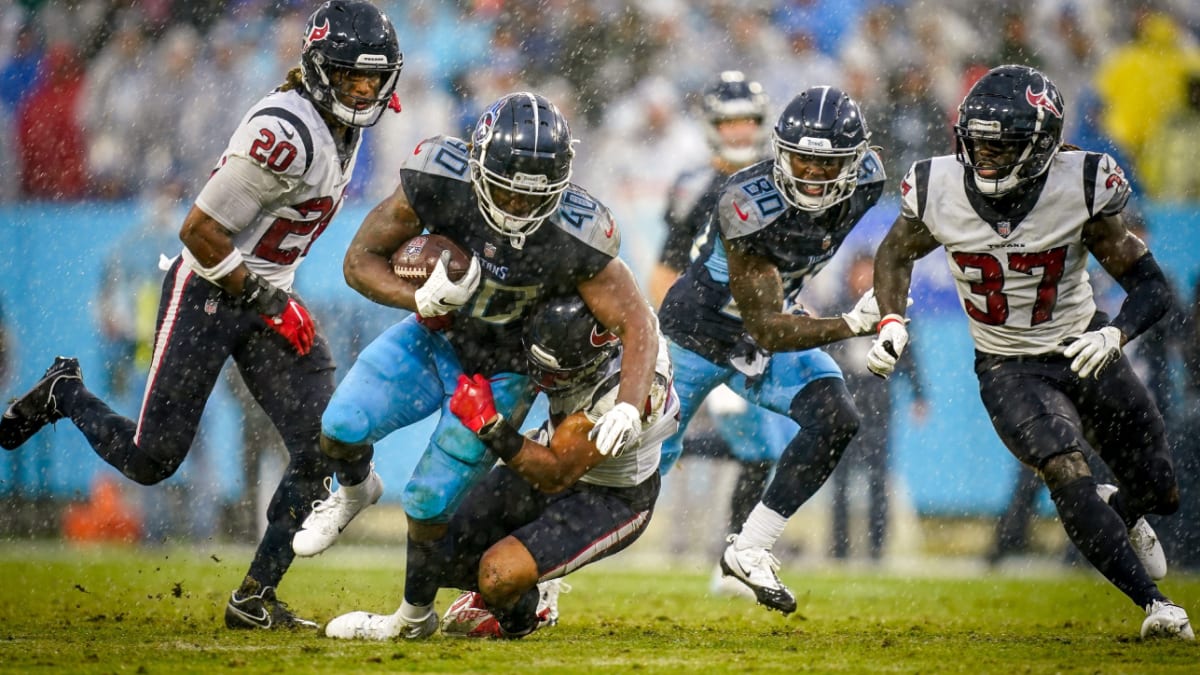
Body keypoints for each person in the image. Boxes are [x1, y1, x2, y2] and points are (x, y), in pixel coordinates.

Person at [0, 0, 404, 630]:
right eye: (351, 75)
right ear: (320, 70)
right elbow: (201, 234)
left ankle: (253, 598)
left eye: (374, 78)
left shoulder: (343, 126)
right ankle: (65, 392)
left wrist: (274, 297)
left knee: (322, 443)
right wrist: (272, 300)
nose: (364, 88)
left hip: (264, 293)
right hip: (211, 290)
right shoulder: (286, 130)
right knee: (152, 459)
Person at [290, 91, 660, 639]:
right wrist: (414, 299)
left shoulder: (576, 232)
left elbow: (637, 322)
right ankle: (353, 488)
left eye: (533, 195)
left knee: (427, 501)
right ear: (478, 159)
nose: (516, 206)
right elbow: (358, 262)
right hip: (431, 337)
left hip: (504, 369)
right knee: (339, 427)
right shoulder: (438, 177)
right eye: (506, 188)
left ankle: (412, 620)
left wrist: (628, 405)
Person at [869, 64, 1192, 640]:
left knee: (1162, 488)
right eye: (978, 141)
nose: (986, 155)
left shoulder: (1081, 184)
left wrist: (1114, 332)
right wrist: (892, 319)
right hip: (1008, 365)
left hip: (1084, 346)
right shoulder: (936, 187)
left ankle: (1123, 512)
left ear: (1041, 145)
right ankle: (1156, 605)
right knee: (1065, 467)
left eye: (1003, 143)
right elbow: (895, 254)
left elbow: (1152, 285)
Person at [657, 85, 889, 614]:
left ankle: (749, 549)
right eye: (801, 160)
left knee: (832, 418)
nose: (809, 174)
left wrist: (892, 310)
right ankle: (543, 572)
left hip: (765, 329)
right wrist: (853, 322)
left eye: (825, 164)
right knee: (637, 474)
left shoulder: (868, 180)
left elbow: (898, 245)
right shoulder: (739, 198)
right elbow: (763, 325)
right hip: (695, 334)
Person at [323, 294, 678, 639]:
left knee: (498, 575)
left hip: (609, 497)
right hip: (547, 452)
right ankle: (521, 574)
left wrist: (490, 426)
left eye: (556, 375)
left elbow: (555, 474)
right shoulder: (618, 312)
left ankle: (524, 612)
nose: (543, 380)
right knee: (437, 549)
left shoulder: (629, 395)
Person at [651, 71, 794, 596]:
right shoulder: (694, 184)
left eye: (747, 122)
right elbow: (665, 268)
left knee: (761, 450)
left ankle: (735, 556)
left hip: (749, 338)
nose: (738, 132)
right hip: (693, 332)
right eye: (729, 122)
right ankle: (569, 546)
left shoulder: (779, 182)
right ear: (712, 126)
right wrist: (665, 341)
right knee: (648, 445)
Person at [824, 250, 927, 561]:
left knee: (878, 479)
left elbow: (908, 356)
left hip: (878, 405)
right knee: (839, 481)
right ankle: (840, 548)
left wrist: (919, 395)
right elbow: (822, 354)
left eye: (870, 273)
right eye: (860, 272)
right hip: (842, 404)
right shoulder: (835, 310)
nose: (864, 279)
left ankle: (875, 549)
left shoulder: (891, 311)